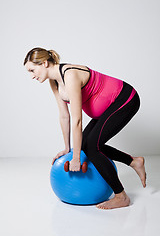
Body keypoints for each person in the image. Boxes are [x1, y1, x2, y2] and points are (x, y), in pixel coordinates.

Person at [24, 47, 146, 210]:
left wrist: (76, 158)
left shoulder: (70, 75)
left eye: (32, 70)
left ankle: (121, 196)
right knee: (88, 146)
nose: (32, 76)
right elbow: (64, 116)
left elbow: (77, 120)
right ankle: (134, 161)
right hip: (108, 108)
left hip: (124, 100)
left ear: (44, 63)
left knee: (93, 147)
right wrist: (68, 148)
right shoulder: (54, 81)